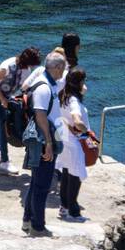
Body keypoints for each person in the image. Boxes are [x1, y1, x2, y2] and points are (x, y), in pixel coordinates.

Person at [22, 51, 66, 236]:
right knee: (42, 185)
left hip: (47, 139)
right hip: (42, 141)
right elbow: (40, 116)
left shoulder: (51, 85)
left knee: (36, 182)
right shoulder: (44, 87)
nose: (63, 71)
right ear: (55, 67)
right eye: (62, 68)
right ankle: (38, 227)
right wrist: (48, 143)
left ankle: (27, 220)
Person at [0, 46, 41, 175]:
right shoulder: (8, 65)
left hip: (5, 98)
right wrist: (3, 99)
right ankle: (4, 161)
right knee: (3, 124)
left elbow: (25, 86)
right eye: (32, 64)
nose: (32, 67)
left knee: (0, 124)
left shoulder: (26, 69)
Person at [55, 67, 91, 220]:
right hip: (73, 141)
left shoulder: (63, 95)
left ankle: (64, 207)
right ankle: (73, 210)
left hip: (62, 137)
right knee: (75, 175)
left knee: (66, 173)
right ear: (79, 82)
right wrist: (86, 132)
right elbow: (77, 119)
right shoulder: (74, 100)